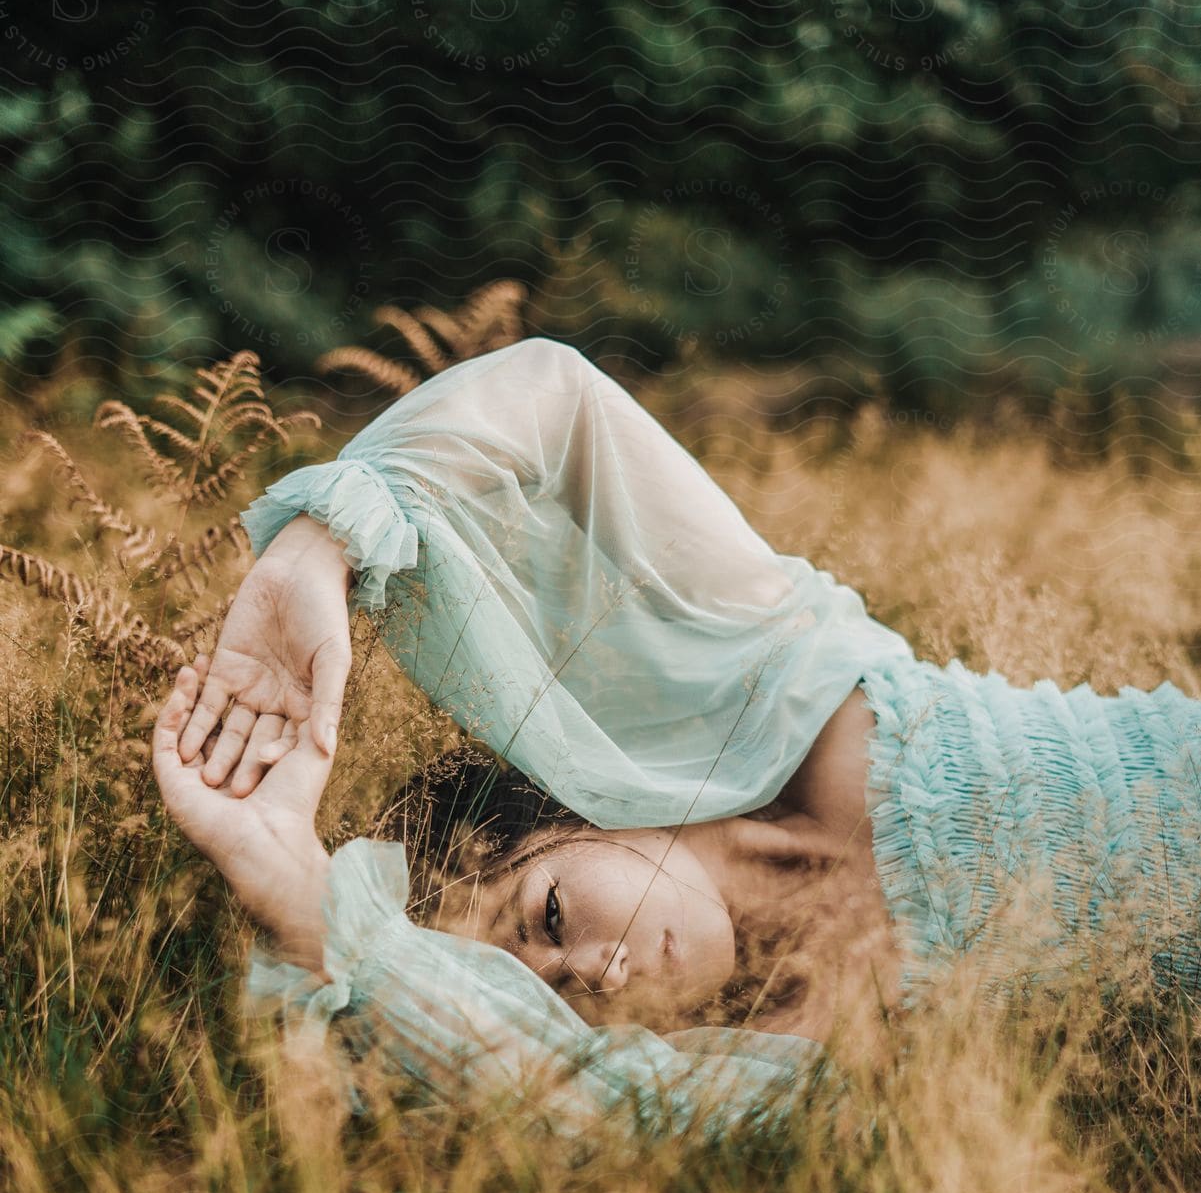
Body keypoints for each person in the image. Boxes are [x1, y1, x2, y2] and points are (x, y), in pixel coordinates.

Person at [152, 337, 1201, 1136]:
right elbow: (563, 1093)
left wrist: (312, 548)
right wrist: (299, 895)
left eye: (549, 918)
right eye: (557, 996)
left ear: (561, 821)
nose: (601, 975)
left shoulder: (780, 675)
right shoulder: (785, 1048)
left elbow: (553, 399)